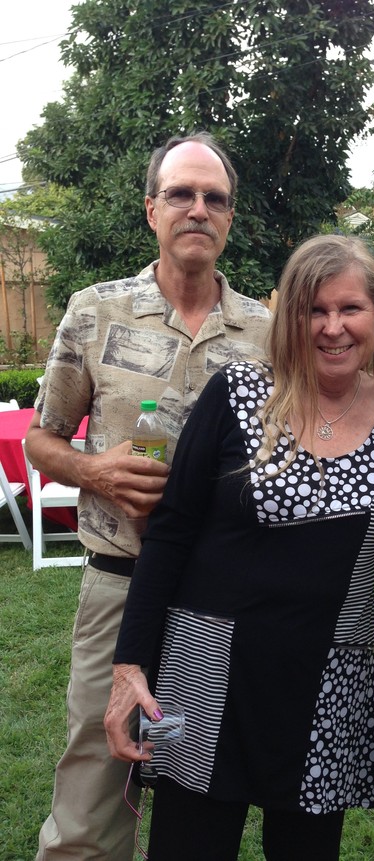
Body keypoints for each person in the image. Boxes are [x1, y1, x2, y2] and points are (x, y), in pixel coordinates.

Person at [103, 233, 374, 861]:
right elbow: (170, 533)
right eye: (312, 310)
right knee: (188, 848)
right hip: (205, 668)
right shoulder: (240, 392)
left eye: (350, 308)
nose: (332, 328)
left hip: (330, 680)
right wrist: (130, 667)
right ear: (289, 318)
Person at [27, 131, 272, 861]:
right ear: (151, 210)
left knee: (199, 800)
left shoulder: (266, 330)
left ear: (229, 219)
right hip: (120, 588)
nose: (198, 208)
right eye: (181, 194)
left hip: (222, 603)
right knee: (94, 799)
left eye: (215, 198)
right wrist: (97, 470)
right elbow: (43, 439)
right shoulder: (96, 310)